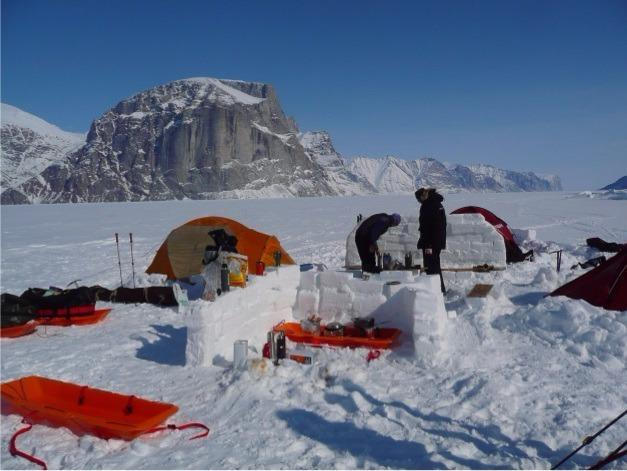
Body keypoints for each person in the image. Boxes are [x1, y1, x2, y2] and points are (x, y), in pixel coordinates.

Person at [415, 188, 447, 293]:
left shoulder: (428, 205)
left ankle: (435, 291)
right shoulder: (437, 204)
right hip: (437, 241)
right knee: (435, 265)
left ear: (422, 196)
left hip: (430, 243)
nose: (419, 202)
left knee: (431, 267)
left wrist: (426, 243)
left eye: (419, 199)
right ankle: (440, 290)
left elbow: (428, 226)